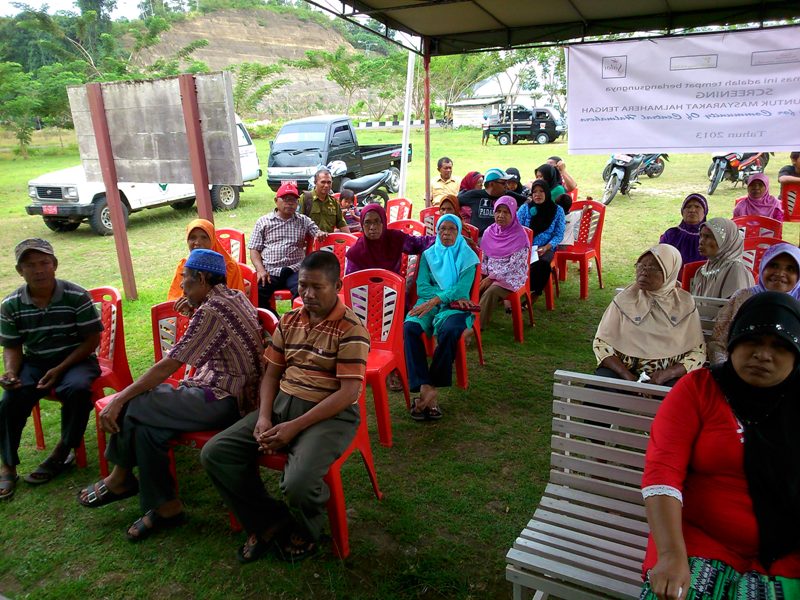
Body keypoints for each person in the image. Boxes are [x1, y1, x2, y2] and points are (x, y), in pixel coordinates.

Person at [77, 249, 264, 542]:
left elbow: (170, 364)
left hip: (225, 400)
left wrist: (119, 398)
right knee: (149, 427)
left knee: (135, 403)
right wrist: (193, 306)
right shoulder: (232, 296)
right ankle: (166, 507)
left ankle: (120, 477)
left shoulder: (212, 310)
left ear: (202, 278)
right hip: (222, 390)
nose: (183, 286)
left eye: (186, 280)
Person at [200, 251, 370, 563]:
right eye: (303, 285)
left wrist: (294, 427)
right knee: (216, 453)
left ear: (337, 286)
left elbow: (348, 393)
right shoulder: (290, 321)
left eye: (317, 287)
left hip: (329, 415)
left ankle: (308, 529)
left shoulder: (351, 329)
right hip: (281, 405)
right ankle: (268, 520)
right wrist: (264, 417)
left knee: (298, 483)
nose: (307, 294)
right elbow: (272, 373)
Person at [640, 292, 800, 600]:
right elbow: (662, 471)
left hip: (788, 556)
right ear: (734, 341)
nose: (763, 355)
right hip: (698, 540)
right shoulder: (699, 389)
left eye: (780, 346)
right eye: (753, 340)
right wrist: (672, 554)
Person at [0, 239, 102, 500]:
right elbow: (12, 346)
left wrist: (60, 368)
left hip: (76, 359)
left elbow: (91, 340)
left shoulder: (76, 295)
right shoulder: (10, 304)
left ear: (54, 265)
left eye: (44, 263)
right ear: (19, 271)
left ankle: (62, 452)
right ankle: (7, 466)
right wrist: (11, 372)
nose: (38, 270)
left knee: (78, 389)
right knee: (11, 398)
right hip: (35, 362)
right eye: (30, 265)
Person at [594, 244, 705, 387]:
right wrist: (626, 375)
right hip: (622, 372)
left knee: (676, 399)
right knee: (599, 390)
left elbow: (697, 352)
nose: (644, 272)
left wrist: (667, 374)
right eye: (640, 265)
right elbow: (601, 342)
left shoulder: (684, 304)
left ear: (669, 272)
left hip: (667, 377)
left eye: (653, 268)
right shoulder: (625, 299)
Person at [403, 215, 479, 421]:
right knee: (409, 327)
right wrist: (433, 299)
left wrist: (438, 299)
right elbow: (422, 286)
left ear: (459, 231)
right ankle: (424, 385)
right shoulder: (428, 254)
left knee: (450, 330)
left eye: (451, 229)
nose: (446, 233)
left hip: (454, 306)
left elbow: (462, 289)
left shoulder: (468, 256)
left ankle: (431, 387)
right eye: (441, 229)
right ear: (436, 232)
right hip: (427, 301)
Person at [708, 242, 800, 365]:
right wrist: (728, 372)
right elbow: (718, 344)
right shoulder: (742, 298)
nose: (780, 273)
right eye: (773, 265)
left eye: (790, 269)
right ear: (763, 267)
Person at [249, 182, 326, 311]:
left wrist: (320, 233)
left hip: (295, 269)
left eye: (294, 200)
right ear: (276, 201)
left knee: (304, 292)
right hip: (270, 270)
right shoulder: (263, 222)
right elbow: (254, 249)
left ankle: (296, 322)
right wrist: (260, 270)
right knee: (257, 292)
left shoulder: (303, 220)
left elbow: (316, 231)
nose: (290, 203)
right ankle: (272, 322)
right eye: (286, 199)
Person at [167, 218, 246, 307]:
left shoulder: (229, 266)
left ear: (212, 240)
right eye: (192, 238)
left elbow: (235, 302)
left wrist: (195, 306)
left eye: (204, 237)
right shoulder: (184, 265)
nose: (197, 242)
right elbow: (174, 300)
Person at [478, 197, 530, 329]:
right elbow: (484, 257)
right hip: (490, 273)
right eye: (498, 211)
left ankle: (476, 328)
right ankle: (462, 320)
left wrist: (491, 278)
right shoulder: (489, 231)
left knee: (491, 292)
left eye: (506, 212)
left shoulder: (520, 236)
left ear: (513, 214)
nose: (501, 215)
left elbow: (514, 265)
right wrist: (482, 274)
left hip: (511, 276)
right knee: (474, 285)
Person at [344, 203, 435, 275]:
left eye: (377, 221)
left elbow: (417, 244)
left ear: (383, 221)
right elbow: (352, 283)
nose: (372, 227)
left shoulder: (395, 239)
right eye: (367, 222)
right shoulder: (355, 253)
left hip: (395, 292)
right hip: (364, 296)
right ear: (362, 225)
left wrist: (440, 238)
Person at [517, 179, 566, 300]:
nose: (537, 195)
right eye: (534, 192)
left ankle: (534, 293)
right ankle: (517, 291)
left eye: (541, 191)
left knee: (543, 264)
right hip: (524, 246)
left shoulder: (557, 210)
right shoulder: (525, 209)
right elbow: (516, 229)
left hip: (545, 247)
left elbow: (559, 234)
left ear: (547, 193)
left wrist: (546, 247)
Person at [690, 217, 754, 299]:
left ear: (726, 241)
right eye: (701, 236)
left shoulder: (735, 269)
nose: (701, 241)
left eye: (708, 237)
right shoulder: (702, 270)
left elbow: (734, 308)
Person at [459, 168, 527, 234]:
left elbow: (528, 201)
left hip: (501, 237)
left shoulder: (508, 195)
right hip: (478, 238)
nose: (507, 186)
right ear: (491, 184)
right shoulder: (474, 195)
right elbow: (453, 202)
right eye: (503, 183)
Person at [659, 194, 708, 276]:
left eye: (697, 206)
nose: (692, 210)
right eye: (688, 207)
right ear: (682, 211)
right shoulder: (671, 234)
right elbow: (661, 260)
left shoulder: (711, 237)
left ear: (705, 212)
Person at [300, 168, 351, 233]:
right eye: (323, 182)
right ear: (315, 183)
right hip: (310, 241)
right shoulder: (305, 198)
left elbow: (341, 223)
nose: (326, 185)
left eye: (329, 182)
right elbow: (298, 222)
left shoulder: (334, 202)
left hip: (329, 241)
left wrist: (352, 240)